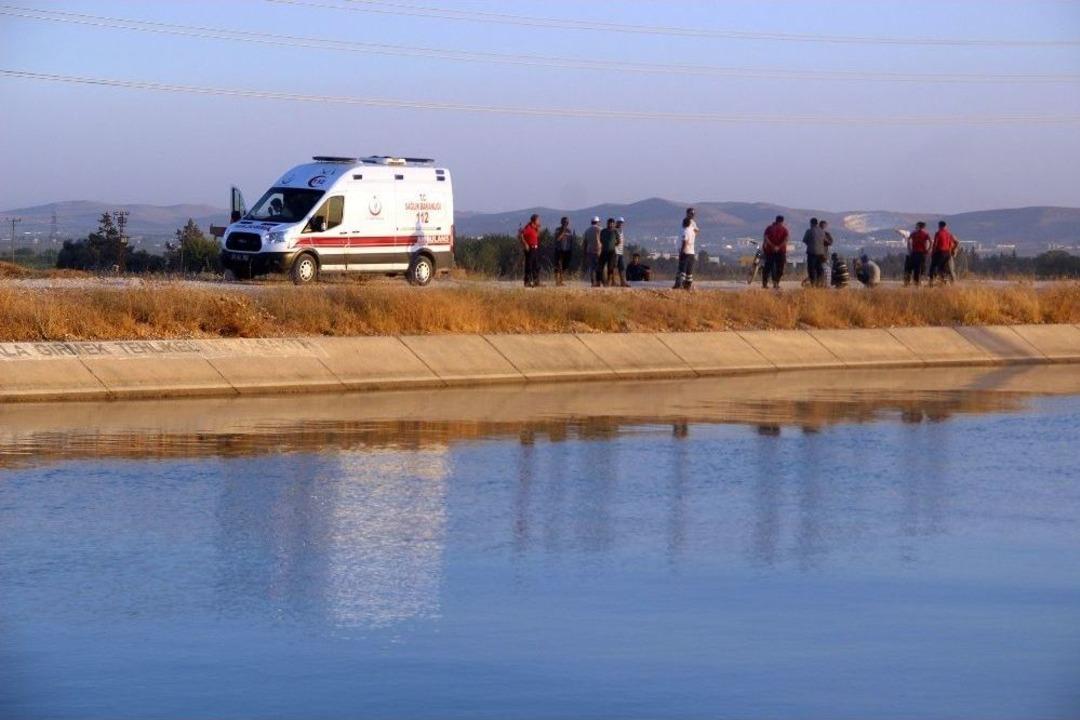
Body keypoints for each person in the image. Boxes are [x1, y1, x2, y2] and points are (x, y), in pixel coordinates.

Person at [762, 215, 788, 289]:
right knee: (780, 268)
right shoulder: (784, 229)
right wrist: (778, 247)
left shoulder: (769, 228)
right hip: (780, 251)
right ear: (782, 221)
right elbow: (786, 240)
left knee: (767, 268)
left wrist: (772, 246)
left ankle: (765, 284)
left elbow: (766, 238)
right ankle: (776, 283)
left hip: (770, 251)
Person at [929, 221, 957, 285]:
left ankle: (931, 282)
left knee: (933, 268)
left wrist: (932, 253)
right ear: (945, 226)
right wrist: (952, 250)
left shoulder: (938, 233)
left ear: (939, 226)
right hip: (947, 253)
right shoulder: (949, 234)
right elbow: (954, 243)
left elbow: (935, 244)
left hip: (939, 253)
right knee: (943, 268)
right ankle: (946, 282)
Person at [802, 218, 828, 287]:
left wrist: (810, 244)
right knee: (819, 268)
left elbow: (804, 240)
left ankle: (813, 283)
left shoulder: (809, 231)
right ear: (817, 223)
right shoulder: (822, 231)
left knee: (811, 268)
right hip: (820, 253)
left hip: (811, 252)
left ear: (811, 223)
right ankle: (820, 282)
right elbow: (826, 241)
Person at [518, 214, 541, 288]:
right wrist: (525, 244)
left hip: (535, 248)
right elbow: (520, 235)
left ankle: (536, 281)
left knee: (536, 266)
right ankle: (527, 282)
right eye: (538, 220)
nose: (539, 221)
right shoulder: (528, 227)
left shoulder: (534, 228)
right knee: (529, 266)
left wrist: (537, 229)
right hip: (530, 248)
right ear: (534, 221)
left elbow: (536, 236)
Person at [674, 216, 696, 290]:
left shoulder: (685, 231)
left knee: (682, 270)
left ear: (684, 223)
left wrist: (682, 252)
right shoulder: (692, 231)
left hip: (685, 252)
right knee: (689, 271)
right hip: (692, 252)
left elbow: (684, 241)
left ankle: (679, 285)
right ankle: (688, 286)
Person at [552, 217, 575, 286]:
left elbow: (571, 241)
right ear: (561, 222)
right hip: (559, 250)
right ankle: (557, 281)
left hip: (567, 251)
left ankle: (561, 280)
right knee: (558, 265)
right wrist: (563, 231)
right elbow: (557, 239)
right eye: (564, 222)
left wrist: (571, 250)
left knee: (565, 266)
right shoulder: (557, 230)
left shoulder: (569, 231)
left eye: (567, 222)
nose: (566, 223)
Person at [907, 221, 931, 286]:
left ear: (919, 226)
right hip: (923, 253)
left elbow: (908, 240)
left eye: (916, 226)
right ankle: (920, 279)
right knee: (922, 266)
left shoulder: (913, 233)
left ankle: (916, 282)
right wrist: (928, 250)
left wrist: (909, 250)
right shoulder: (926, 234)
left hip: (915, 252)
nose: (915, 227)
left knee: (915, 268)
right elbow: (931, 241)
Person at [598, 218, 619, 287]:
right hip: (604, 251)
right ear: (607, 223)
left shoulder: (615, 232)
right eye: (609, 223)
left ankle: (609, 282)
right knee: (600, 267)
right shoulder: (603, 231)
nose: (610, 224)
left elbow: (618, 241)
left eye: (612, 223)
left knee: (610, 267)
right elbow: (600, 240)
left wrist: (612, 245)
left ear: (614, 224)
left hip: (612, 252)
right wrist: (605, 245)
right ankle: (601, 282)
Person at [582, 217, 602, 287]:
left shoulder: (587, 230)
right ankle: (598, 282)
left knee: (592, 268)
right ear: (598, 222)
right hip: (598, 251)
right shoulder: (599, 229)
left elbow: (585, 242)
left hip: (589, 251)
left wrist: (584, 252)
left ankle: (593, 282)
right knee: (598, 268)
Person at [611, 217, 629, 287]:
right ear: (617, 222)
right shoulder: (614, 230)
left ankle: (622, 282)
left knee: (621, 267)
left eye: (622, 222)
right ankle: (613, 282)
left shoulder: (621, 230)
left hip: (620, 252)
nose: (621, 223)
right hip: (615, 252)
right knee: (613, 267)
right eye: (619, 222)